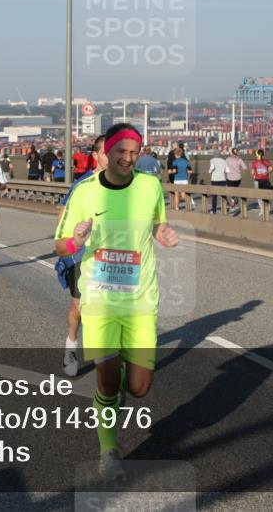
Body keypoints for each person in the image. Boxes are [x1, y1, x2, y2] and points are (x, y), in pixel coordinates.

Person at [54, 123, 178, 473]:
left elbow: (156, 224)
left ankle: (122, 379)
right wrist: (76, 241)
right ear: (106, 152)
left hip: (140, 300)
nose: (128, 158)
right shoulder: (84, 192)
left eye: (134, 152)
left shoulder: (150, 186)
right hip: (99, 300)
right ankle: (108, 450)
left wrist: (164, 234)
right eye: (121, 151)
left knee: (139, 388)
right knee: (106, 382)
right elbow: (59, 245)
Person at [55, 135, 107, 377]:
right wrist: (75, 238)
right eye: (107, 152)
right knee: (79, 309)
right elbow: (62, 214)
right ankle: (71, 346)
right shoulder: (82, 185)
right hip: (83, 257)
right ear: (95, 156)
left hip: (114, 258)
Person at [250, 149, 273, 217]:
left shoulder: (254, 162)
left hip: (258, 180)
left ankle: (262, 210)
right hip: (266, 180)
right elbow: (271, 169)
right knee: (266, 195)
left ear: (257, 155)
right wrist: (266, 172)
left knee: (259, 196)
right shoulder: (266, 161)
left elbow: (252, 173)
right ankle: (268, 208)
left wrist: (255, 173)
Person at [225, 147, 247, 213]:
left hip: (229, 178)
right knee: (234, 191)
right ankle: (233, 204)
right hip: (238, 178)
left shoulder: (227, 159)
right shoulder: (240, 160)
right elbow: (245, 168)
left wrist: (229, 171)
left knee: (230, 192)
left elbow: (225, 168)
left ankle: (232, 205)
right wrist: (238, 169)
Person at [208, 150, 228, 214]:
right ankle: (225, 208)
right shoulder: (224, 161)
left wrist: (209, 171)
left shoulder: (212, 160)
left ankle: (214, 210)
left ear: (214, 154)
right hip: (222, 179)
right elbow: (227, 171)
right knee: (223, 194)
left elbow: (212, 168)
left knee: (214, 196)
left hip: (214, 179)